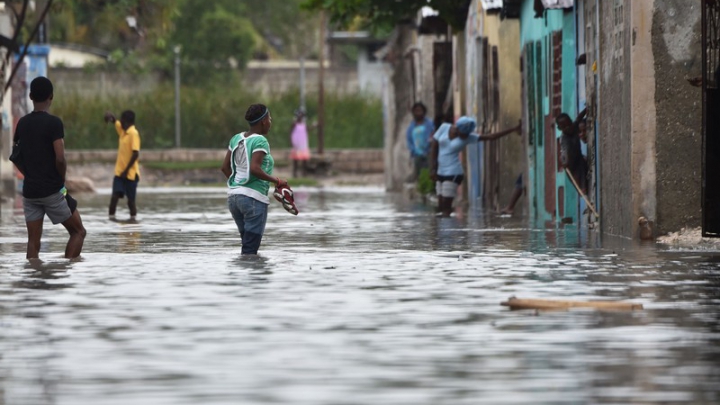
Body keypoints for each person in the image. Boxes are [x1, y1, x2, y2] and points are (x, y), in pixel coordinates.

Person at [13, 76, 86, 259]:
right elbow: (60, 159)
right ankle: (63, 274)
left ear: (30, 96)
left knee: (33, 242)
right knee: (78, 232)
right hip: (52, 191)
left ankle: (33, 278)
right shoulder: (54, 123)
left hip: (30, 192)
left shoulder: (22, 123)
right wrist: (61, 182)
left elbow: (16, 158)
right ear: (51, 97)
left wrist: (29, 175)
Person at [221, 104, 289, 255]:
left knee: (246, 246)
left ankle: (242, 276)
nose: (271, 122)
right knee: (250, 250)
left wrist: (239, 186)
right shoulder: (260, 141)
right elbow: (255, 169)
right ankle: (253, 278)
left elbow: (225, 168)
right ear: (264, 120)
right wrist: (277, 181)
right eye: (270, 118)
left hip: (234, 199)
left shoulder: (236, 139)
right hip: (253, 199)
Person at [430, 116, 521, 217]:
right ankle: (442, 230)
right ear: (458, 128)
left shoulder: (469, 137)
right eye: (464, 134)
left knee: (446, 207)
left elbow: (491, 137)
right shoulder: (444, 127)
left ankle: (447, 231)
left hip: (453, 172)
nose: (466, 136)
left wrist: (513, 129)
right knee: (440, 205)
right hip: (439, 171)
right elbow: (434, 145)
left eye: (467, 134)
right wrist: (433, 168)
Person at [104, 110, 140, 221]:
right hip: (119, 173)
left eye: (122, 120)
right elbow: (116, 123)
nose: (121, 122)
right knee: (114, 198)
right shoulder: (123, 132)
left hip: (130, 175)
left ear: (128, 122)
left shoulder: (133, 133)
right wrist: (111, 117)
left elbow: (135, 153)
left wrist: (126, 170)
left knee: (131, 202)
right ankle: (111, 221)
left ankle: (133, 221)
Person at [556, 109, 588, 193]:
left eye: (569, 124)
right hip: (573, 168)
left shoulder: (573, 128)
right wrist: (564, 161)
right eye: (564, 127)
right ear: (560, 128)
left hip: (580, 159)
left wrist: (586, 110)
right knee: (583, 188)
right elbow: (565, 153)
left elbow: (578, 118)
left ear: (570, 121)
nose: (568, 127)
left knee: (586, 168)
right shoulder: (564, 140)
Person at [406, 102, 435, 181]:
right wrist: (414, 151)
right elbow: (409, 141)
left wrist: (429, 147)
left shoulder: (429, 124)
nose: (418, 113)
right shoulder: (411, 127)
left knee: (429, 173)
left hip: (428, 153)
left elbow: (432, 136)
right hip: (416, 155)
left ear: (424, 111)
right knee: (418, 175)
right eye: (416, 111)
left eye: (420, 110)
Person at [289, 108, 311, 178]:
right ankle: (295, 173)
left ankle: (304, 173)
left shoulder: (304, 125)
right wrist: (291, 142)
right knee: (296, 160)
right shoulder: (294, 124)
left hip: (303, 144)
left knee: (304, 160)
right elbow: (290, 132)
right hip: (296, 144)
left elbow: (307, 130)